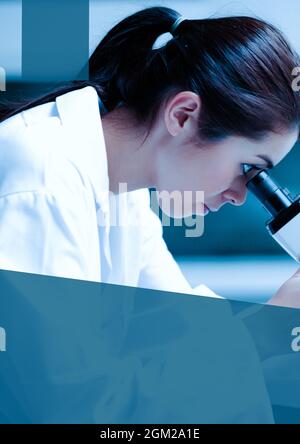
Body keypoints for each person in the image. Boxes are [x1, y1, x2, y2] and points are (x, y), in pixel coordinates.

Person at [0, 6, 300, 306]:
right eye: (248, 167)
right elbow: (58, 353)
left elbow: (178, 327)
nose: (239, 196)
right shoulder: (44, 177)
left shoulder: (125, 191)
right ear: (183, 116)